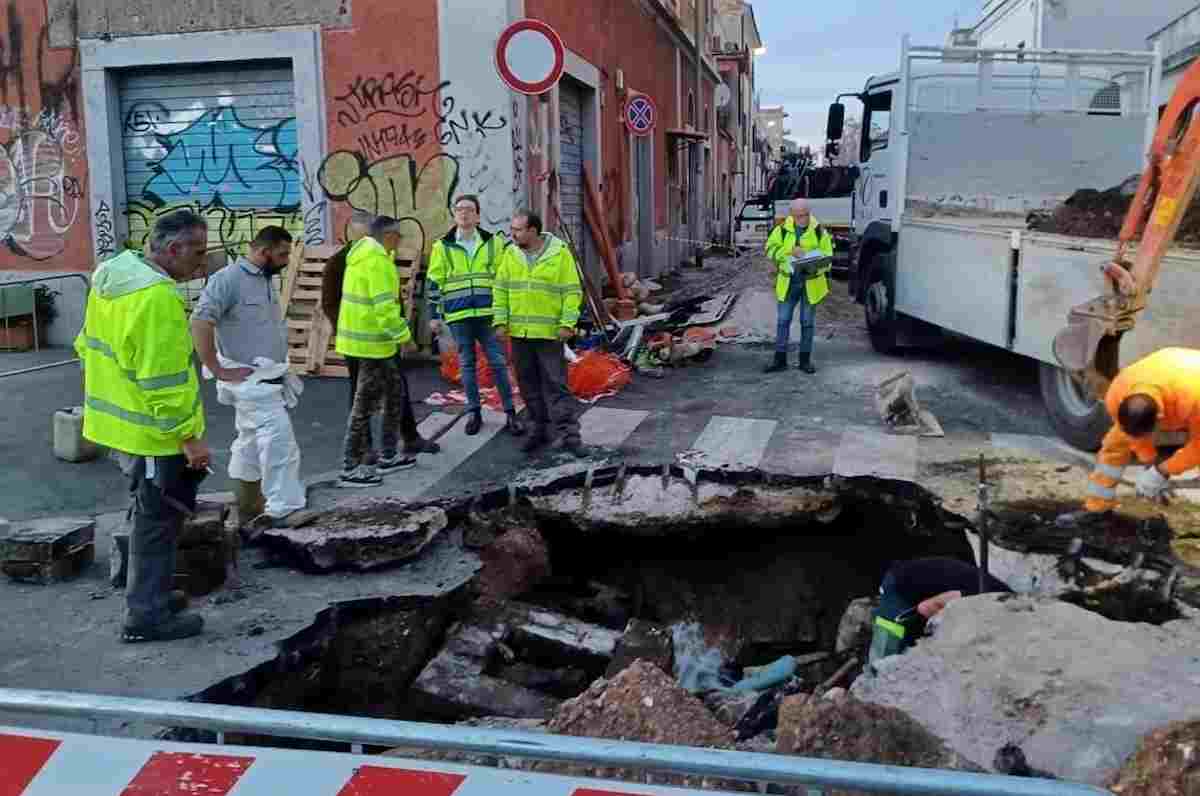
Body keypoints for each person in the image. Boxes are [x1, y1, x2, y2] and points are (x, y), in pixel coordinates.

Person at [74, 209, 211, 643]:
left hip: (123, 427)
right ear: (173, 250)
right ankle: (146, 615)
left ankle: (152, 595)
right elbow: (162, 381)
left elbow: (86, 346)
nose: (202, 263)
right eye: (198, 252)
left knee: (150, 515)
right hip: (155, 435)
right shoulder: (157, 299)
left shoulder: (113, 277)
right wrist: (188, 438)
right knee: (157, 523)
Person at [191, 226, 306, 533]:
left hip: (263, 379)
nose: (286, 260)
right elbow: (200, 321)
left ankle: (247, 507)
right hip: (248, 381)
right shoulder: (228, 280)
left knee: (251, 442)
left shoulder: (264, 279)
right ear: (263, 251)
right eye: (282, 254)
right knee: (279, 441)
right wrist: (216, 368)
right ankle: (283, 508)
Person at [335, 215, 428, 487]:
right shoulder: (377, 262)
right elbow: (384, 308)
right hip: (371, 345)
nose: (399, 242)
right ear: (389, 236)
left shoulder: (361, 254)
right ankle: (350, 467)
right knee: (364, 406)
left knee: (395, 394)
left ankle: (388, 455)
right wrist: (405, 338)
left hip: (369, 342)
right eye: (398, 237)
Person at [428, 194, 524, 437]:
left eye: (469, 209)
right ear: (454, 214)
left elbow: (505, 279)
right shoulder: (442, 246)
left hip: (489, 313)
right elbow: (433, 282)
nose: (464, 213)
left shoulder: (494, 243)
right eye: (459, 209)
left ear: (478, 215)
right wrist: (434, 315)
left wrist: (506, 313)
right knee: (467, 364)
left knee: (499, 363)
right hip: (458, 315)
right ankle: (474, 413)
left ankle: (510, 413)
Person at [493, 209, 584, 456]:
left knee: (557, 385)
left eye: (518, 230)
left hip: (549, 334)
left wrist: (567, 324)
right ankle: (539, 430)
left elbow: (572, 291)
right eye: (512, 230)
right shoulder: (510, 254)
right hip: (520, 334)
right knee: (528, 385)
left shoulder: (559, 254)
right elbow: (501, 289)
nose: (513, 234)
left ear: (533, 231)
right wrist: (500, 322)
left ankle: (570, 436)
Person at [1081, 347, 1200, 514]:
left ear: (1160, 418)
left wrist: (1162, 471)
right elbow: (1133, 437)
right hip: (1170, 378)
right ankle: (1098, 505)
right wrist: (1150, 461)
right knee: (1115, 444)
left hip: (1192, 381)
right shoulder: (1116, 396)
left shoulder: (1194, 398)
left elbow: (1198, 448)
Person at [870, 557, 1012, 662]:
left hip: (921, 581)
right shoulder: (986, 598)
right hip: (900, 584)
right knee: (886, 657)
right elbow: (928, 607)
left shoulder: (1002, 599)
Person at [763, 198, 834, 374]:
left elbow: (828, 258)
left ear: (809, 213)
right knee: (783, 321)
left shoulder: (820, 232)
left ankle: (804, 361)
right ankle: (779, 361)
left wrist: (816, 264)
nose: (802, 219)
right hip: (788, 283)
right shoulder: (781, 230)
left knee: (807, 323)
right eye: (798, 216)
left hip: (811, 284)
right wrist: (788, 252)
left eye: (804, 215)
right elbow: (769, 250)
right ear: (792, 214)